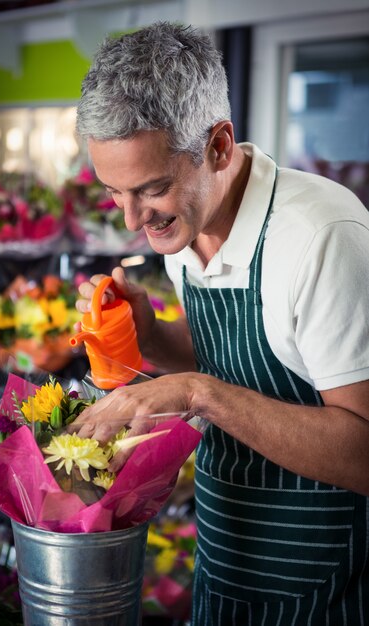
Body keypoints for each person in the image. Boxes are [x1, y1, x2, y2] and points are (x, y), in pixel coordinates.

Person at [73, 21, 369, 625]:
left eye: (151, 189)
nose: (132, 220)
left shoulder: (320, 237)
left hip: (325, 585)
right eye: (113, 192)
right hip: (227, 561)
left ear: (218, 146)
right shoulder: (184, 228)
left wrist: (196, 394)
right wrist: (152, 336)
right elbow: (238, 358)